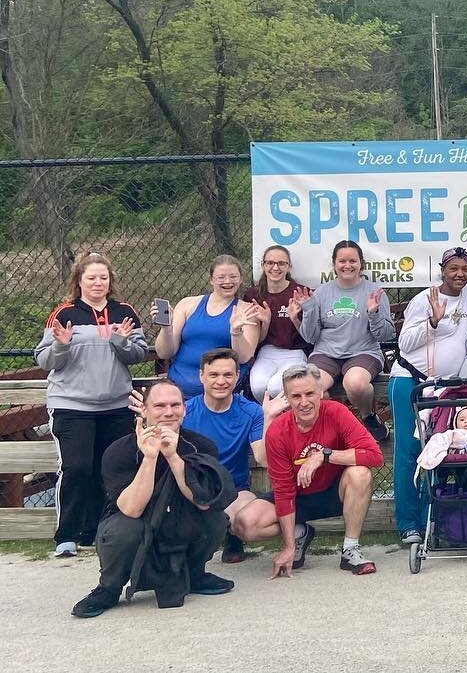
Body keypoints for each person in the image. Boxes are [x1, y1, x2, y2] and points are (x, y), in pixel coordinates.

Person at [70, 381, 236, 618]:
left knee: (216, 519)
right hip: (133, 520)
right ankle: (109, 588)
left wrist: (173, 457)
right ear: (144, 410)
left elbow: (203, 501)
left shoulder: (200, 445)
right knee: (123, 529)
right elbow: (132, 509)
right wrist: (150, 457)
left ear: (184, 408)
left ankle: (195, 574)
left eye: (175, 405)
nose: (169, 412)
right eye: (159, 406)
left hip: (181, 514)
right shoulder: (119, 451)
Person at [36, 253, 149, 558]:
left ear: (110, 281)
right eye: (91, 278)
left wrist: (122, 341)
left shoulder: (125, 313)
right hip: (72, 405)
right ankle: (67, 535)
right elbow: (45, 360)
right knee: (77, 468)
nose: (98, 283)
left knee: (110, 468)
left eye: (103, 278)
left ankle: (102, 530)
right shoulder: (63, 313)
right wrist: (61, 344)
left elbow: (137, 355)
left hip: (115, 404)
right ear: (79, 281)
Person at [390, 246, 467, 545]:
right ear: (442, 270)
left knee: (437, 451)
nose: (460, 274)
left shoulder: (466, 297)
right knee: (409, 452)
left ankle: (433, 518)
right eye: (453, 268)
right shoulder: (425, 300)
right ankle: (408, 524)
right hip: (411, 383)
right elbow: (405, 342)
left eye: (465, 269)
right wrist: (434, 322)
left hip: (447, 387)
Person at [263, 363, 385, 578]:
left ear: (320, 392)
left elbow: (375, 456)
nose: (304, 402)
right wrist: (288, 545)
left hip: (332, 491)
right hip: (296, 496)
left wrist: (325, 455)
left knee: (360, 473)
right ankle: (299, 535)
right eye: (296, 396)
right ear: (287, 399)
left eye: (310, 393)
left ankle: (350, 549)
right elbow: (282, 489)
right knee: (247, 524)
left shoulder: (336, 412)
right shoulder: (277, 431)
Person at [180, 348, 288, 564]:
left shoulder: (252, 412)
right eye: (214, 375)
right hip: (192, 487)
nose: (221, 381)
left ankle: (237, 536)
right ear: (201, 376)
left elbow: (264, 459)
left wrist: (268, 418)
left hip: (233, 490)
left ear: (237, 376)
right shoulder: (184, 412)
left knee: (245, 523)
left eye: (228, 375)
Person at [296, 240, 396, 442]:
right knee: (312, 390)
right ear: (334, 264)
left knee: (355, 384)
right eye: (342, 261)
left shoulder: (375, 292)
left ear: (361, 264)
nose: (347, 265)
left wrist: (373, 313)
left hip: (363, 352)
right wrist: (307, 309)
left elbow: (386, 335)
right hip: (326, 353)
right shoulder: (322, 293)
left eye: (353, 260)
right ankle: (333, 432)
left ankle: (369, 418)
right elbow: (310, 337)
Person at [154, 254, 263, 399]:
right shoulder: (187, 304)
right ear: (211, 279)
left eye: (233, 276)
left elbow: (243, 357)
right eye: (221, 277)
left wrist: (236, 331)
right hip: (178, 388)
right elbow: (164, 353)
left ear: (241, 278)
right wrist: (166, 328)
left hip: (220, 390)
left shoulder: (247, 311)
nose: (228, 281)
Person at [243, 245, 314, 401]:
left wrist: (295, 318)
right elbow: (256, 341)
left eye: (281, 263)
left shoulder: (301, 292)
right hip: (266, 352)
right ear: (263, 265)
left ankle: (287, 422)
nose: (275, 268)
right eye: (270, 263)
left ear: (289, 266)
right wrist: (266, 323)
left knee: (277, 387)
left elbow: (311, 338)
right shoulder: (252, 295)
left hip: (295, 351)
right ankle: (270, 422)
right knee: (259, 386)